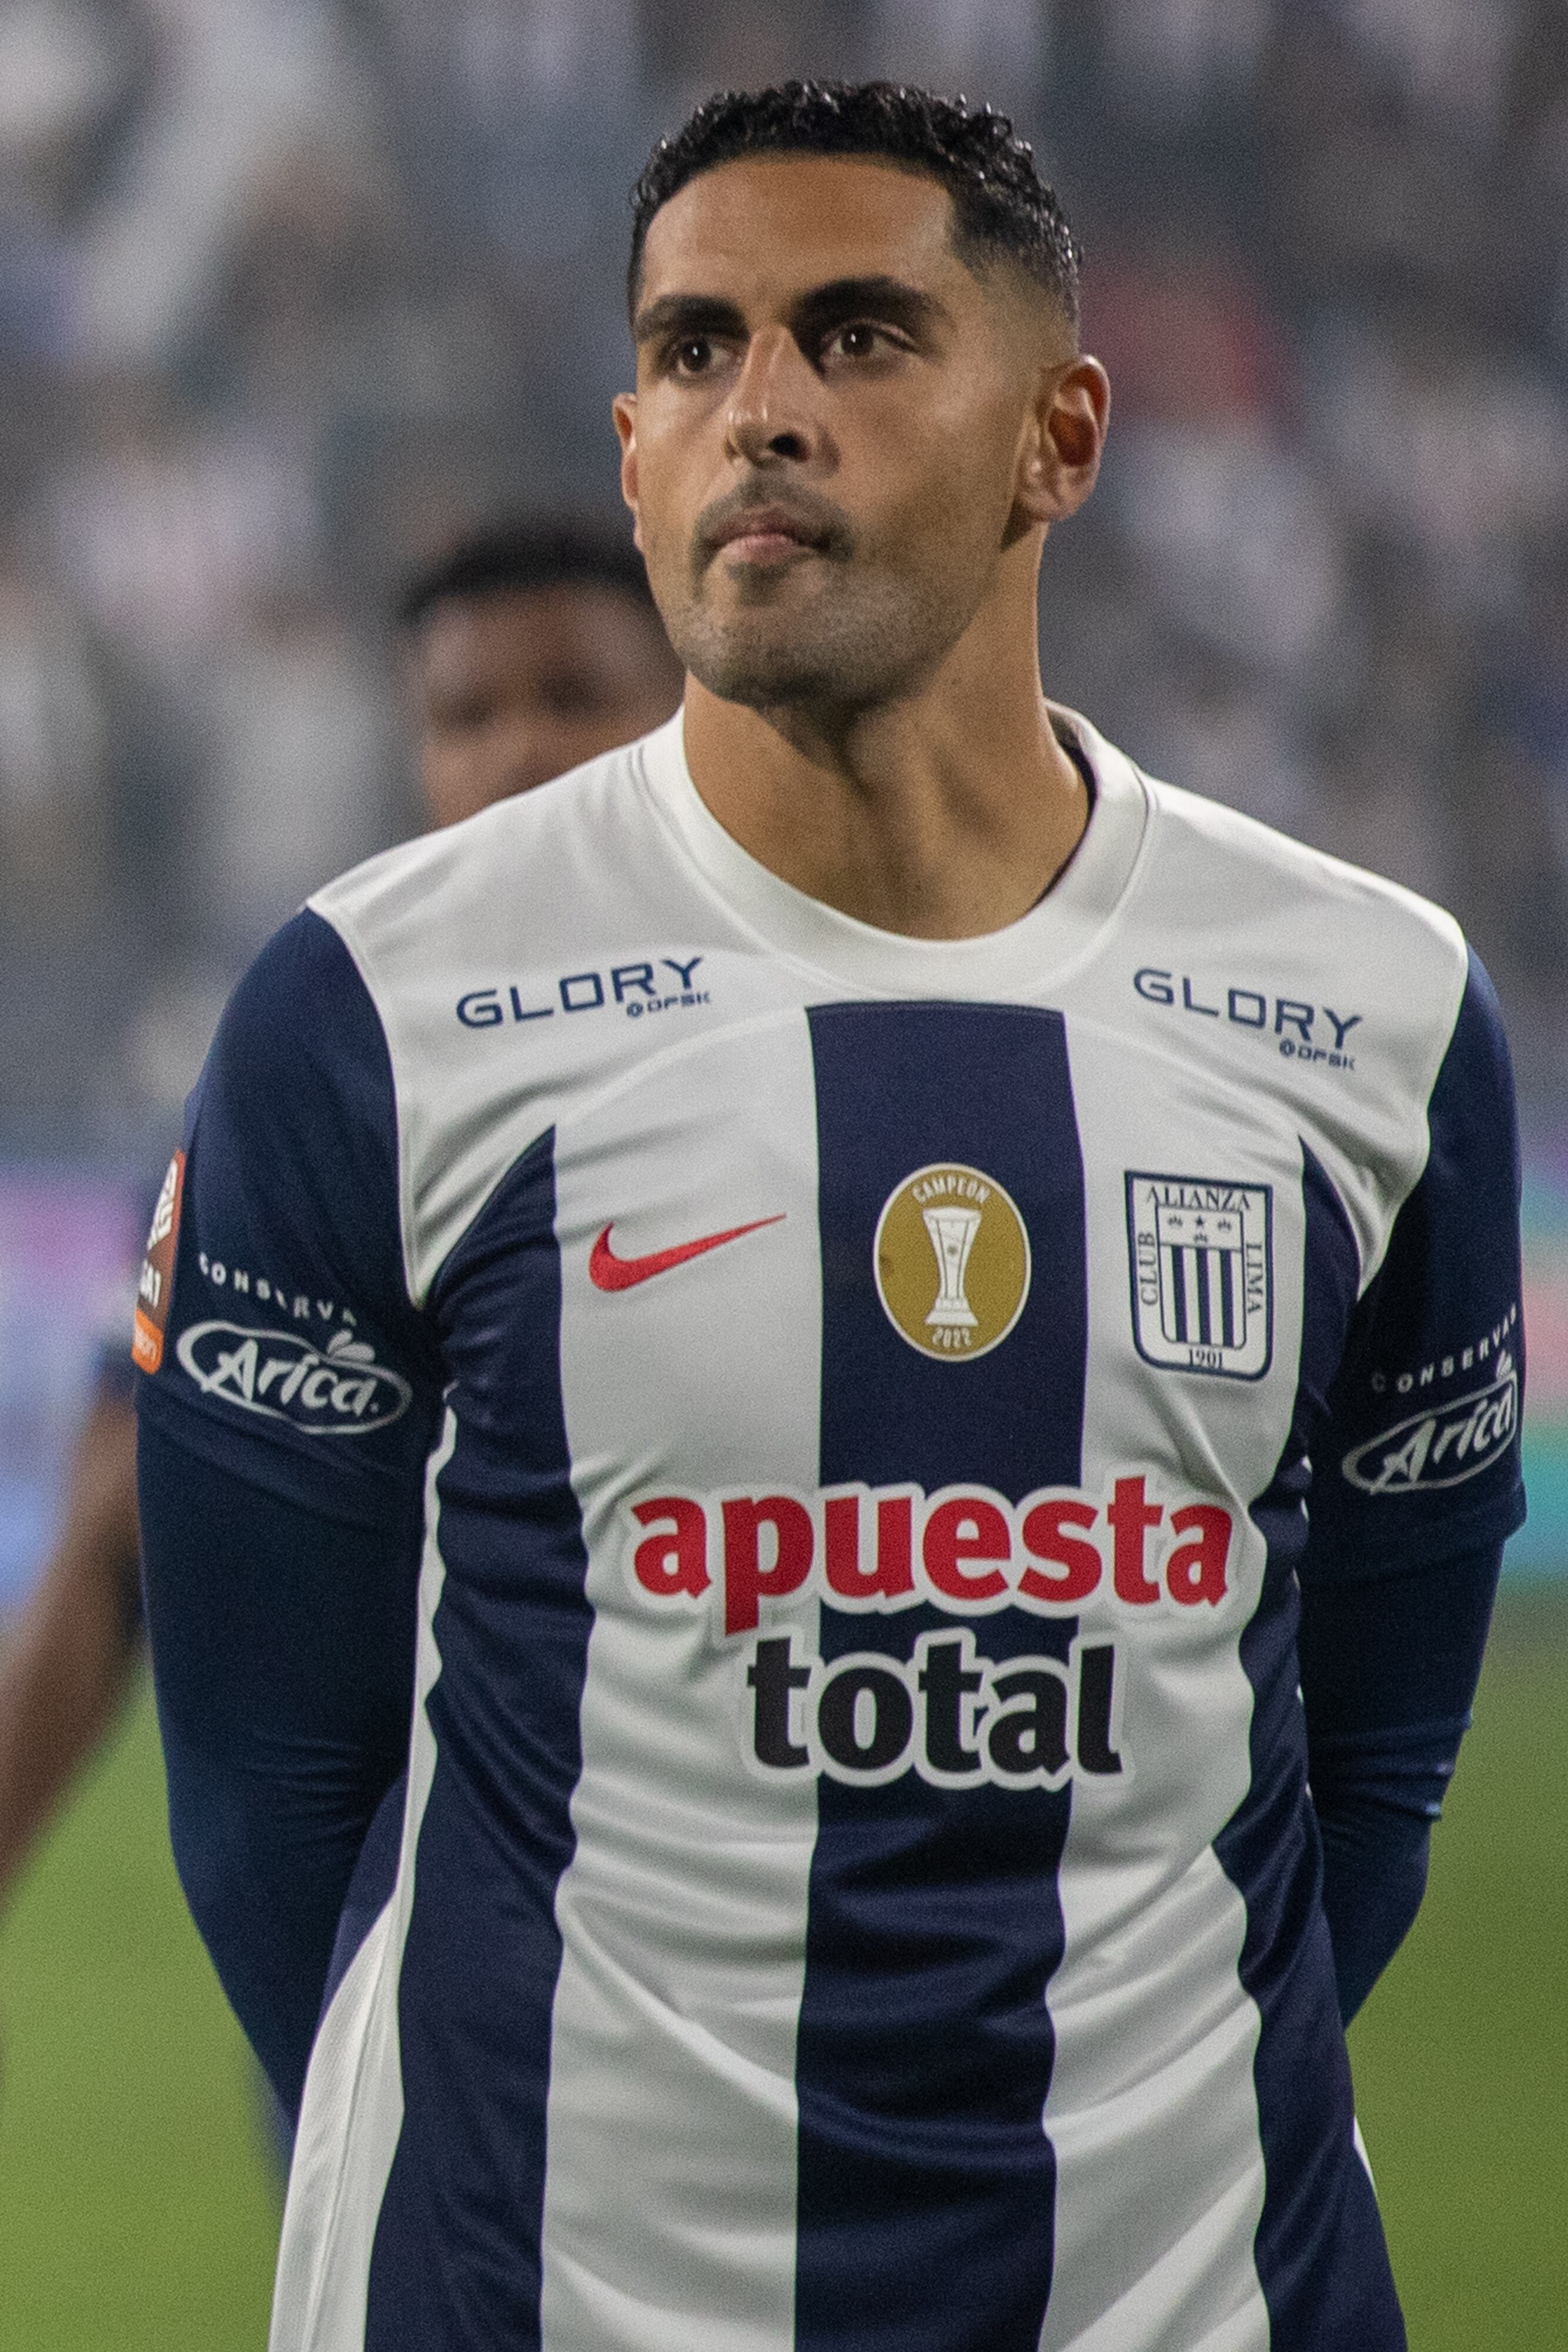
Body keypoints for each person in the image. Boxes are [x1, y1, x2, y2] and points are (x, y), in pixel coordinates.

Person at [134, 82, 1523, 2352]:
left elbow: (1364, 1774)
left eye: (856, 337)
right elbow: (269, 1798)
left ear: (1058, 435)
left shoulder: (1365, 1018)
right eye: (692, 351)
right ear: (625, 447)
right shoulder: (378, 1006)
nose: (756, 411)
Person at [0, 515, 678, 1920]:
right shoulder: (313, 1073)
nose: (517, 751)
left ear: (693, 715)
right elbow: (115, 1523)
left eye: (573, 699)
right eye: (464, 713)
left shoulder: (833, 1042)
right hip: (406, 1943)